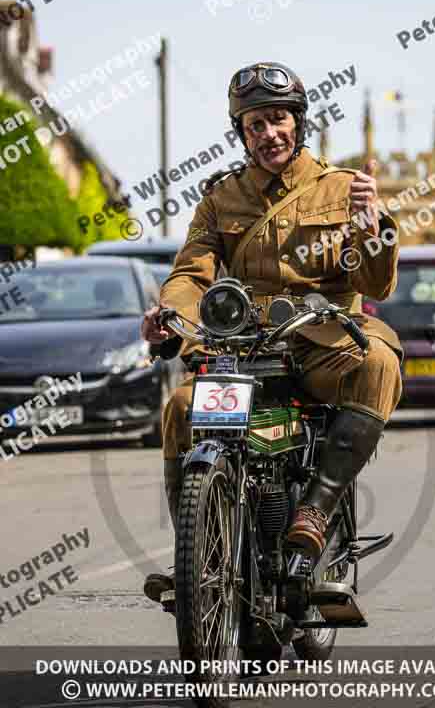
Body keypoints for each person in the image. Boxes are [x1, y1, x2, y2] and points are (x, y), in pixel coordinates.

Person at [141, 62, 404, 603]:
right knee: (180, 409)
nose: (268, 134)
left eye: (278, 120)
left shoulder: (342, 189)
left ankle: (315, 509)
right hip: (244, 350)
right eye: (255, 124)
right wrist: (169, 312)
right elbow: (193, 274)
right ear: (242, 133)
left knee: (377, 361)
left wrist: (372, 224)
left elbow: (374, 279)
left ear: (298, 123)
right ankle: (196, 556)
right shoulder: (220, 200)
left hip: (321, 341)